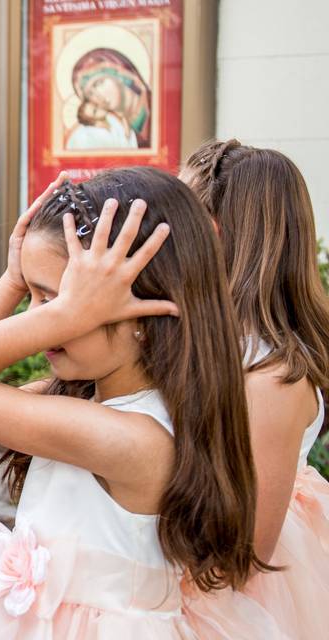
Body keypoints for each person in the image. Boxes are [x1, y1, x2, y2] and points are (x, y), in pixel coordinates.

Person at [0, 168, 269, 637]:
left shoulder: (135, 438)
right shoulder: (79, 401)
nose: (41, 319)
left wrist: (61, 314)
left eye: (56, 300)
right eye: (32, 297)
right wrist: (10, 285)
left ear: (140, 307)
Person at [179, 140, 329, 640]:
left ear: (216, 237)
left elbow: (243, 555)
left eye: (179, 218)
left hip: (225, 600)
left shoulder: (270, 378)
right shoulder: (198, 335)